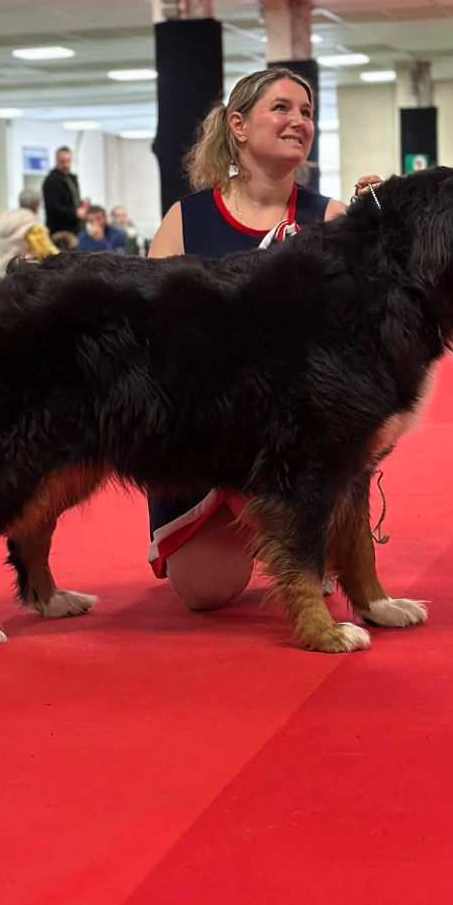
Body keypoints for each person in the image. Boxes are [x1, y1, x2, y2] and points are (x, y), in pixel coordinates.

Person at [146, 67, 351, 612]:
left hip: (293, 434)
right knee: (206, 593)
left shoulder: (332, 217)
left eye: (307, 113)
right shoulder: (184, 219)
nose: (299, 121)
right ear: (238, 125)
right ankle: (251, 524)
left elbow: (355, 343)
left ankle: (295, 525)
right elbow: (150, 333)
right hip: (201, 432)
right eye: (282, 108)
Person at [0, 190, 41, 278]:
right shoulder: (32, 223)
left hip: (0, 271)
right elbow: (42, 249)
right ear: (35, 205)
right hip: (20, 274)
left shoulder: (5, 219)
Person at [42, 147, 82, 236]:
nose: (66, 165)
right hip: (59, 230)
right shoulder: (51, 181)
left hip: (74, 228)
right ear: (57, 161)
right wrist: (74, 213)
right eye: (62, 162)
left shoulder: (72, 179)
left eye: (68, 161)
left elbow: (73, 200)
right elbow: (54, 207)